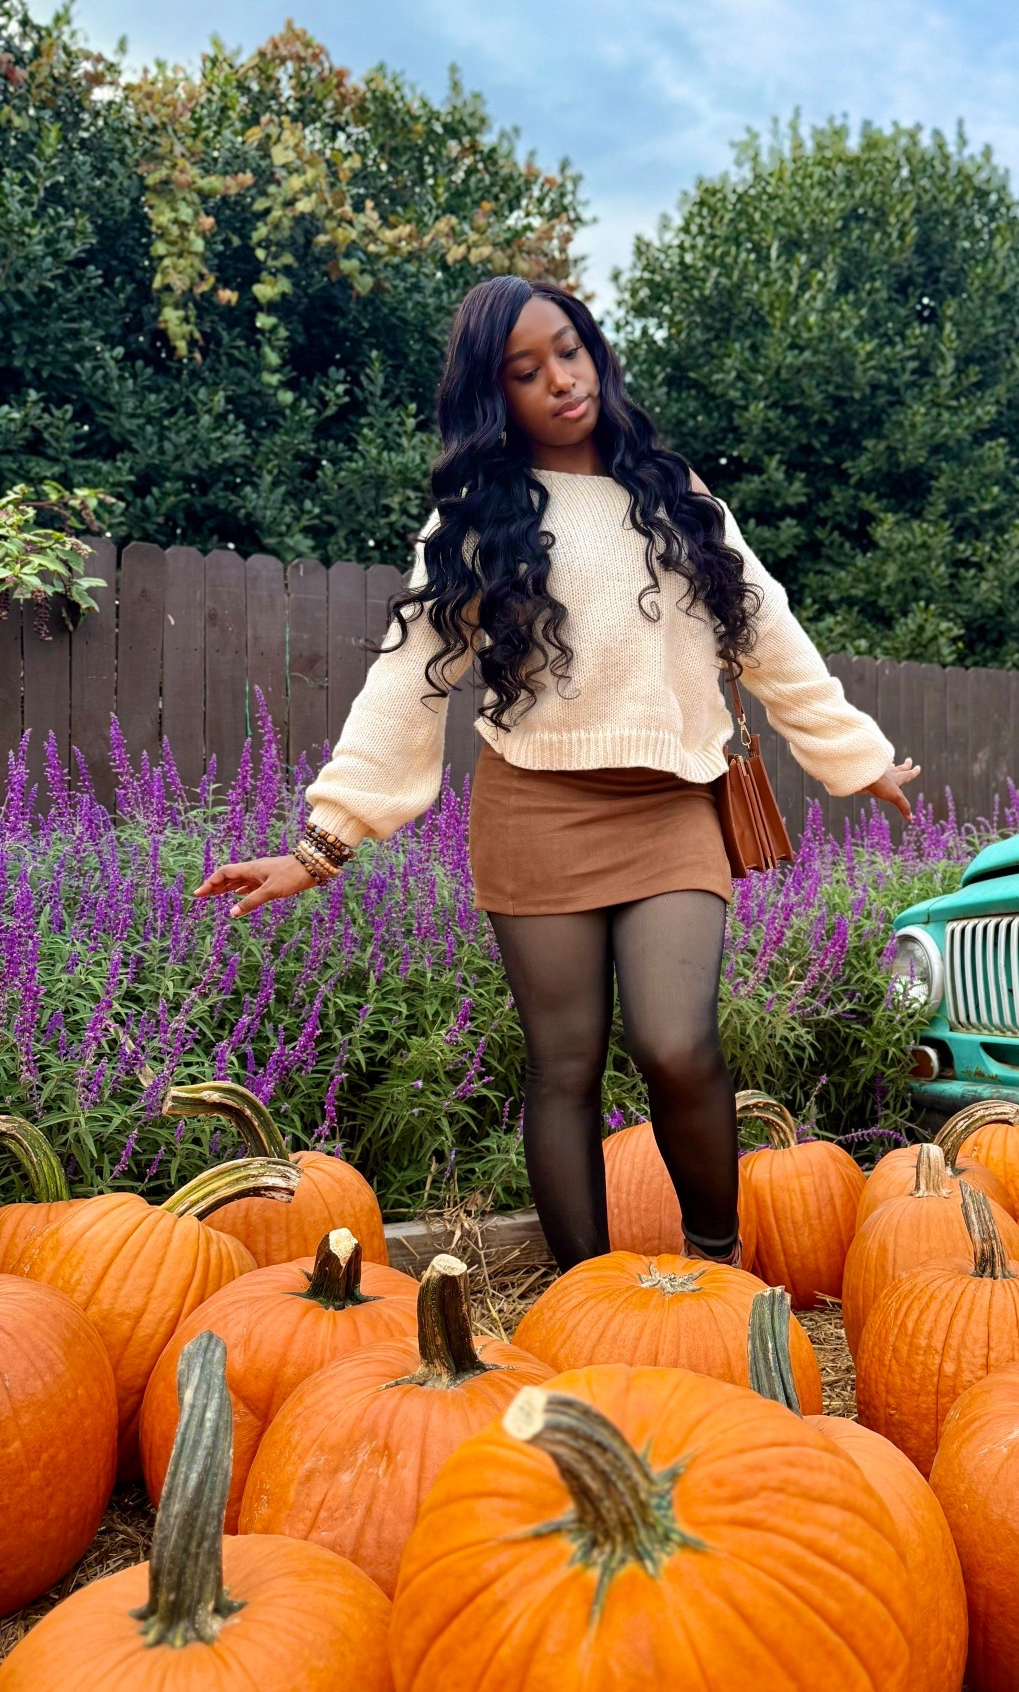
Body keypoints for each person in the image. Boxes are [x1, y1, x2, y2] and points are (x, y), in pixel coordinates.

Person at [197, 276, 918, 1270]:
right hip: (536, 813)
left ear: (594, 350)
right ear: (499, 398)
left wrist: (858, 755)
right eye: (526, 371)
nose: (561, 380)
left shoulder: (677, 494)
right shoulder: (477, 519)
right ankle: (588, 1292)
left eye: (569, 350)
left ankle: (716, 1269)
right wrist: (321, 845)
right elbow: (407, 682)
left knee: (678, 1046)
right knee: (566, 1065)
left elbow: (769, 634)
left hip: (671, 808)